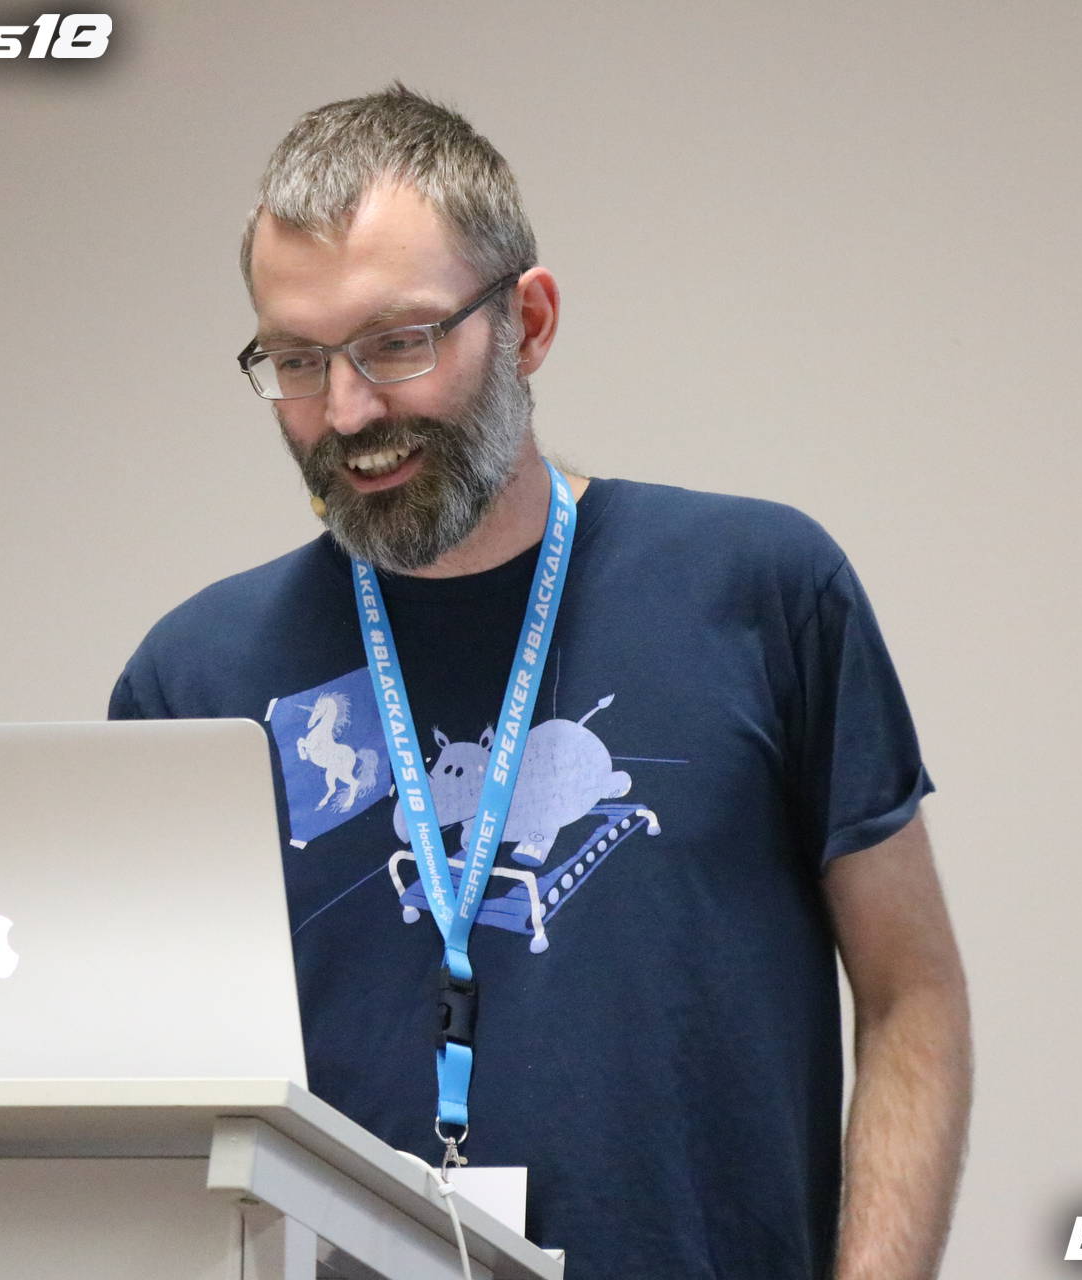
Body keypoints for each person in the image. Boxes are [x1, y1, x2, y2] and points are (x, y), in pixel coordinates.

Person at [110, 84, 972, 1280]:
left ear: (528, 321)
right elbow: (153, 1098)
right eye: (299, 359)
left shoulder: (761, 589)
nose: (347, 411)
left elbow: (912, 994)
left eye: (397, 343)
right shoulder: (194, 678)